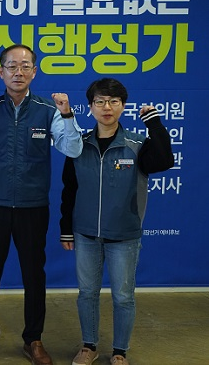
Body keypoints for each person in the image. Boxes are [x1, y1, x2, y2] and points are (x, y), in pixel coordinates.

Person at [0, 44, 83, 365]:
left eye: (25, 66)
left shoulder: (48, 110)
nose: (18, 72)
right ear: (0, 71)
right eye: (12, 66)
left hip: (33, 207)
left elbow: (72, 149)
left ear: (34, 71)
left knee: (34, 276)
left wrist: (67, 114)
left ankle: (33, 339)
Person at [59, 78, 174, 365]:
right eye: (100, 102)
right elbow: (69, 189)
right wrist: (66, 230)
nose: (106, 107)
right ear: (90, 107)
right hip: (86, 234)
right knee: (87, 293)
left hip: (124, 235)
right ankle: (89, 346)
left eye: (113, 101)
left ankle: (120, 351)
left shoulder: (137, 145)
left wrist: (154, 123)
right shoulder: (79, 145)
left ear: (123, 106)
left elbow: (165, 161)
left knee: (123, 296)